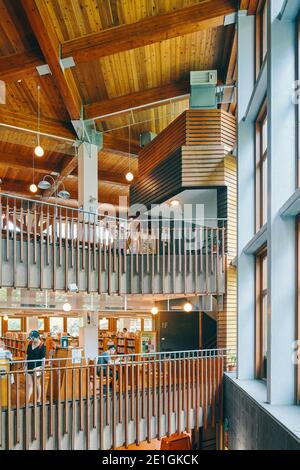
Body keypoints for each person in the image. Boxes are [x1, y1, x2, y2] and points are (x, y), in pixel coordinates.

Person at [25, 330, 46, 403]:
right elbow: (26, 355)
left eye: (32, 338)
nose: (31, 339)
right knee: (30, 384)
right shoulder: (30, 343)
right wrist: (25, 365)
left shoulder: (41, 346)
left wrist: (43, 368)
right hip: (29, 366)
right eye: (30, 338)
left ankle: (38, 399)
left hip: (37, 368)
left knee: (37, 383)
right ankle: (27, 401)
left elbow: (43, 359)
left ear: (37, 337)